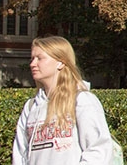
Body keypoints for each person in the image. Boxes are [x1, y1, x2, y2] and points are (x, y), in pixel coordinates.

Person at [14, 36, 119, 165]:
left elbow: (98, 150)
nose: (32, 64)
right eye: (32, 59)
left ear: (61, 62)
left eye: (39, 58)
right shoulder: (31, 107)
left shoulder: (82, 101)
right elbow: (20, 154)